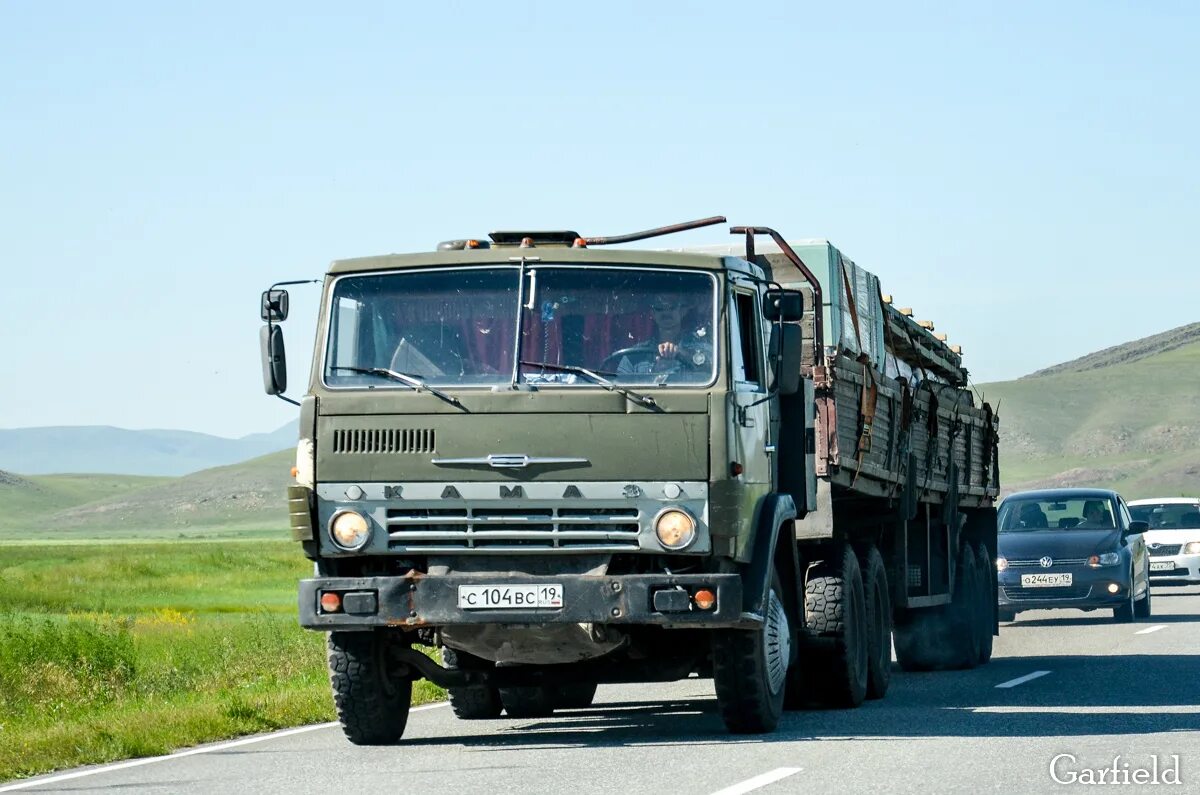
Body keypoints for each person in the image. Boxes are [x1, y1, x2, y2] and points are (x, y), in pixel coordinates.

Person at [614, 295, 711, 377]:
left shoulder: (701, 349)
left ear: (682, 311)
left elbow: (714, 375)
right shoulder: (634, 356)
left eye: (672, 307)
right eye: (659, 308)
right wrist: (655, 371)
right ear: (653, 313)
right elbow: (620, 387)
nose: (666, 312)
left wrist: (685, 355)